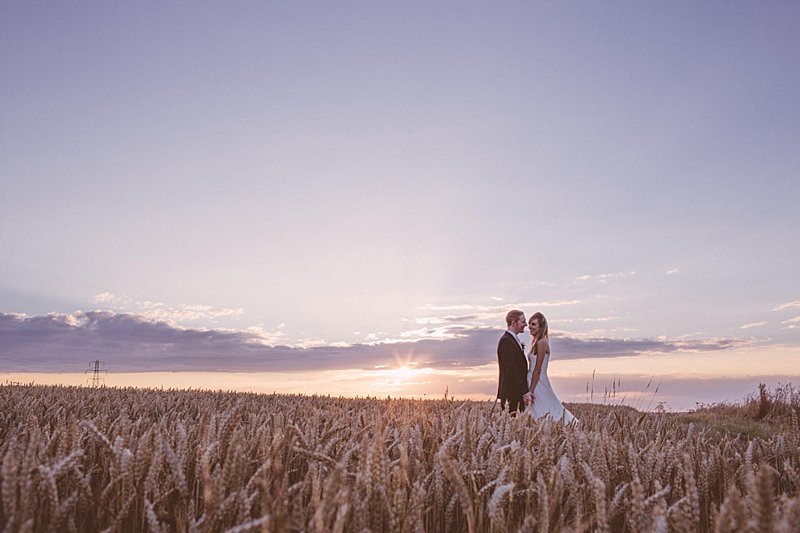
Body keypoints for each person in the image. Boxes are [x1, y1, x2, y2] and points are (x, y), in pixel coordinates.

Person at [523, 312, 577, 424]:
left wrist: (531, 391)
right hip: (532, 379)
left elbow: (537, 369)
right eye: (529, 324)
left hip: (537, 381)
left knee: (543, 409)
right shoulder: (536, 342)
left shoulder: (542, 343)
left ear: (541, 326)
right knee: (536, 411)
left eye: (533, 324)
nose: (530, 327)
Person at [496, 310, 529, 413]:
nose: (526, 325)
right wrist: (523, 393)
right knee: (512, 426)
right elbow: (511, 371)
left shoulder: (512, 340)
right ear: (514, 323)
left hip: (515, 393)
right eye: (523, 322)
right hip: (512, 394)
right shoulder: (506, 341)